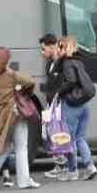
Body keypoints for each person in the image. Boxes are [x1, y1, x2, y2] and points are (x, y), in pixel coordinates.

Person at [0, 47, 40, 190]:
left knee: (4, 148)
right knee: (21, 148)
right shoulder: (10, 74)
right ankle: (24, 181)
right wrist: (22, 92)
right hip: (14, 114)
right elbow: (30, 82)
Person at [55, 36, 97, 181]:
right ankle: (90, 166)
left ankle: (72, 171)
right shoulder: (79, 61)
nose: (57, 49)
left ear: (64, 47)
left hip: (72, 105)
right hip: (84, 104)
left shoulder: (67, 63)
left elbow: (71, 81)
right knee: (80, 138)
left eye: (59, 47)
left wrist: (59, 93)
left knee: (68, 139)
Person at [38, 33, 67, 180]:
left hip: (59, 103)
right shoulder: (50, 63)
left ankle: (63, 165)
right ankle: (60, 163)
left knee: (58, 133)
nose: (42, 53)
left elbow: (63, 83)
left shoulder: (63, 62)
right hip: (51, 104)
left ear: (52, 46)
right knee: (50, 133)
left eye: (43, 49)